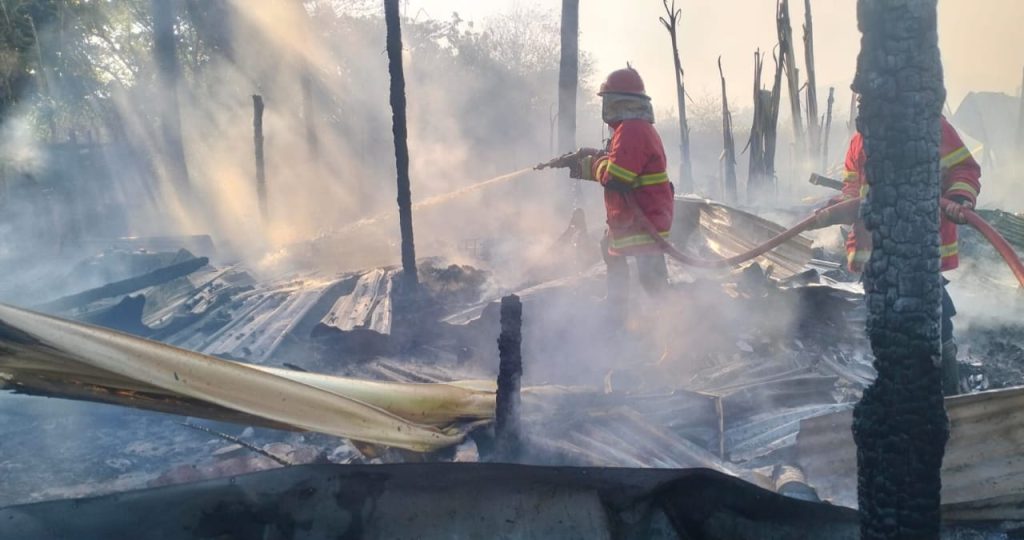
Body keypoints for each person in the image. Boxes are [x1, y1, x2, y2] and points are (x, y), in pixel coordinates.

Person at [812, 116, 981, 395]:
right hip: (877, 259)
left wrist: (959, 198)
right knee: (887, 332)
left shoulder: (930, 125)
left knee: (936, 326)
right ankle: (900, 397)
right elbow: (851, 190)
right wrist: (835, 209)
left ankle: (948, 399)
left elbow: (964, 168)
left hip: (918, 254)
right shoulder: (859, 141)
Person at [555, 66, 675, 325]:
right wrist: (589, 163)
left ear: (618, 101)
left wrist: (592, 166)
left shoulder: (632, 130)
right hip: (634, 219)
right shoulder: (630, 129)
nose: (605, 106)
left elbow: (618, 177)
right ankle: (617, 309)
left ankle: (674, 328)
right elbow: (618, 167)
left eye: (607, 99)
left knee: (652, 281)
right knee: (608, 249)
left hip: (645, 222)